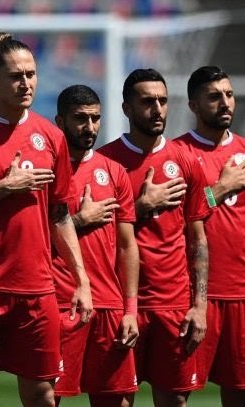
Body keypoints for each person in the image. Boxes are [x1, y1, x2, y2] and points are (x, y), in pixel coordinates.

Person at [0, 32, 92, 407]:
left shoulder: (51, 136)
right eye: (15, 76)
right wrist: (3, 188)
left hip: (36, 285)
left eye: (31, 74)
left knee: (44, 393)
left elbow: (59, 213)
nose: (25, 83)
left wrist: (81, 279)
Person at [98, 68, 210, 407]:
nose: (158, 109)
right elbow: (97, 235)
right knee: (115, 401)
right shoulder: (106, 162)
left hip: (172, 303)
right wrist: (140, 207)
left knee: (174, 400)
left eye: (162, 101)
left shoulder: (186, 161)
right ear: (127, 108)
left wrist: (199, 307)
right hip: (119, 304)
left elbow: (197, 238)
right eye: (147, 101)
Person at [52, 85, 139, 406]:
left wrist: (130, 310)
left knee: (118, 400)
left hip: (109, 305)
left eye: (95, 118)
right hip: (61, 302)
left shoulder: (114, 172)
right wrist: (80, 220)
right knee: (47, 397)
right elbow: (32, 238)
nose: (89, 127)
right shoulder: (46, 172)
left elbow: (127, 246)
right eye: (80, 119)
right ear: (60, 121)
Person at [173, 66, 245, 407]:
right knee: (176, 393)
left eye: (228, 95)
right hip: (191, 295)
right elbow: (172, 220)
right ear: (193, 105)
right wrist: (219, 191)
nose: (225, 103)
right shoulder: (177, 155)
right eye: (214, 97)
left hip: (241, 293)